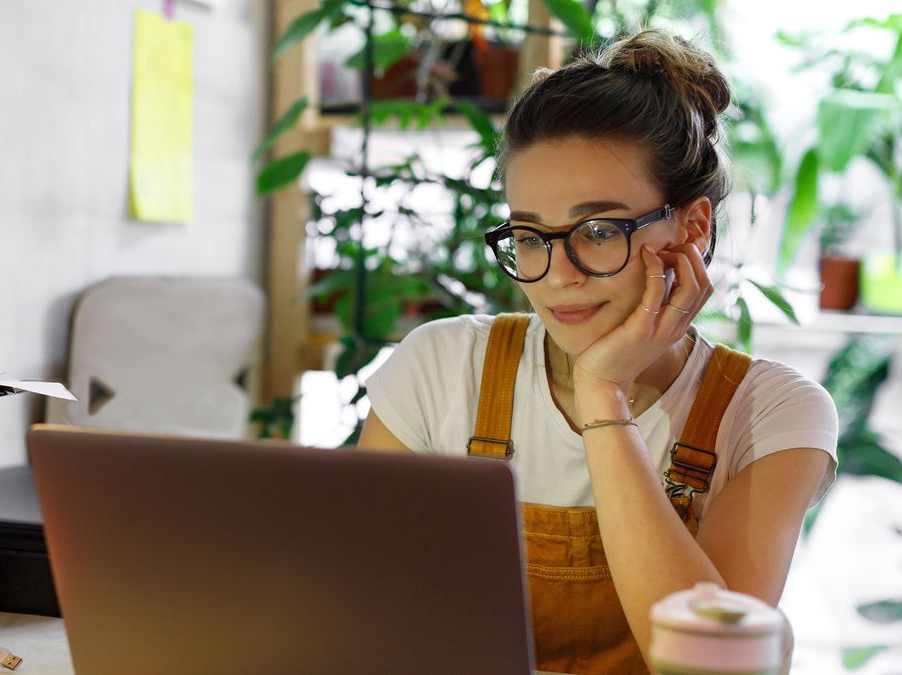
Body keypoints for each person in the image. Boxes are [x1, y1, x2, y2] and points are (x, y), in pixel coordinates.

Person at [358, 29, 838, 675]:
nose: (557, 274)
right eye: (530, 235)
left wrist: (603, 396)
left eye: (598, 230)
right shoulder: (442, 367)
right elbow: (359, 617)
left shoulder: (772, 414)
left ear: (691, 227)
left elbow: (714, 668)